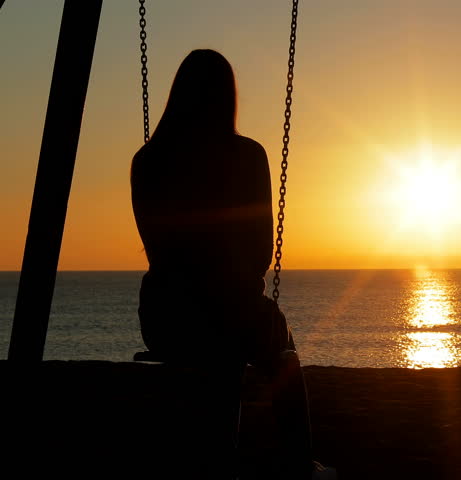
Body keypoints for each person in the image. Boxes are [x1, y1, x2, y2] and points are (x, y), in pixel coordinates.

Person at [131, 49, 335, 479]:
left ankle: (217, 457)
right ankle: (301, 464)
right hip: (228, 314)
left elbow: (155, 244)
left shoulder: (147, 159)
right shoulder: (247, 155)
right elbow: (260, 252)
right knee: (279, 350)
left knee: (225, 343)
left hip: (164, 316)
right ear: (228, 97)